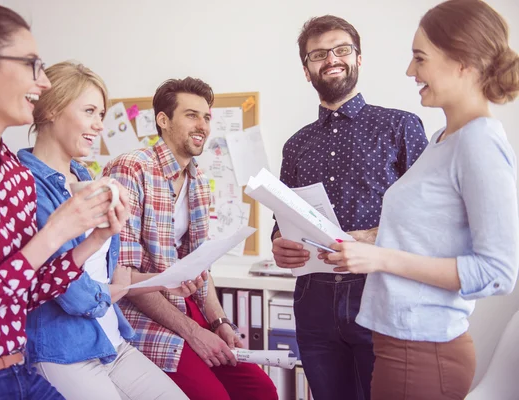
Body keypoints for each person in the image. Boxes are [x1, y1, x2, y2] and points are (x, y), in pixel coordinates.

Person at [0, 1, 129, 399]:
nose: (44, 82)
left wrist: (94, 239)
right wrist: (53, 234)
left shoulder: (14, 174)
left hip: (18, 371)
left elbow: (27, 292)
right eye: (31, 64)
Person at [319, 1, 519, 399]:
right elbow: (431, 234)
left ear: (462, 61)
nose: (411, 71)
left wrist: (381, 259)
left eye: (419, 58)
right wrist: (370, 239)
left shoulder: (479, 143)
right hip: (398, 343)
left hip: (423, 350)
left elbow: (498, 271)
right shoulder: (443, 140)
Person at [18, 61, 208, 400]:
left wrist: (164, 281)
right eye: (89, 111)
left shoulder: (87, 180)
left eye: (101, 114)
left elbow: (109, 274)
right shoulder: (27, 187)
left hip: (112, 342)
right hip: (64, 351)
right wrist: (111, 291)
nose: (99, 125)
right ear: (51, 110)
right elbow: (72, 291)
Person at [270, 15, 428, 400]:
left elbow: (430, 219)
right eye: (318, 54)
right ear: (307, 70)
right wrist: (279, 244)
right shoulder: (296, 145)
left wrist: (373, 237)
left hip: (380, 290)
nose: (331, 59)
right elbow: (283, 220)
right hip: (313, 298)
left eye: (341, 49)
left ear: (359, 58)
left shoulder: (401, 126)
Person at [103, 77, 278, 400]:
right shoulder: (131, 168)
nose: (203, 125)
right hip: (137, 312)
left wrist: (220, 322)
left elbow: (200, 268)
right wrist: (194, 332)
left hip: (183, 306)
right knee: (213, 396)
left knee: (261, 390)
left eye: (207, 117)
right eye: (192, 115)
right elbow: (123, 278)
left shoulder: (198, 179)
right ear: (163, 120)